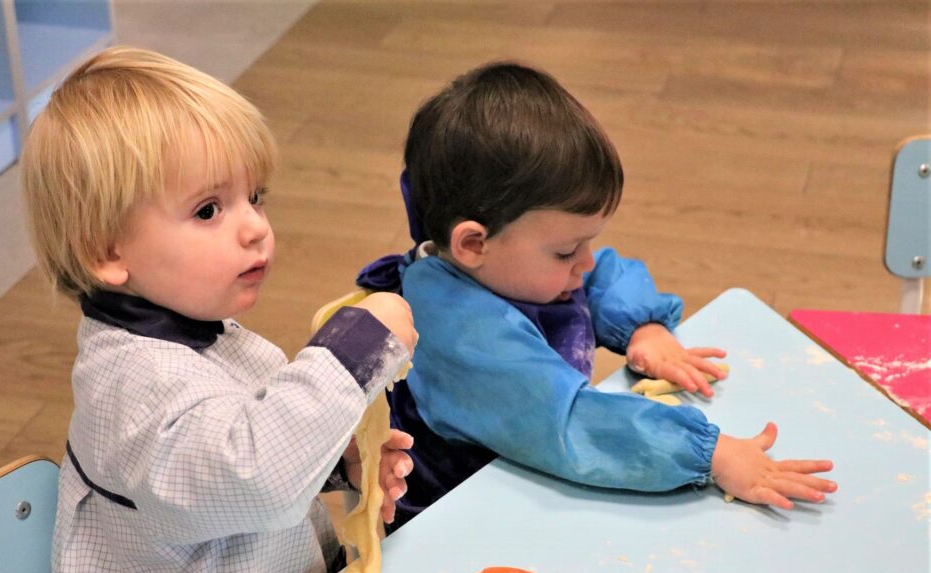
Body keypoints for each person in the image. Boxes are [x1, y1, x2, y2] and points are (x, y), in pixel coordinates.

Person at [20, 46, 417, 573]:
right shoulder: (131, 384)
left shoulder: (213, 336)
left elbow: (223, 471)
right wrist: (353, 353)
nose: (256, 226)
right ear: (105, 251)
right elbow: (248, 476)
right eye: (209, 209)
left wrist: (331, 459)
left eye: (254, 196)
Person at [356, 61, 836, 532]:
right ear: (473, 244)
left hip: (530, 485)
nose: (585, 262)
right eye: (567, 250)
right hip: (460, 524)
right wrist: (710, 453)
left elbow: (606, 273)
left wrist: (642, 327)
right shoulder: (462, 334)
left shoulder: (509, 264)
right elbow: (569, 423)